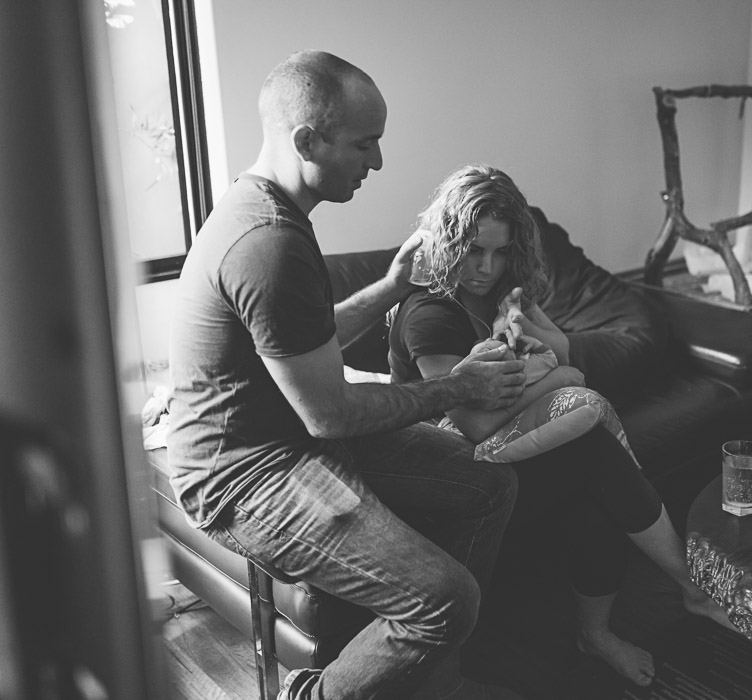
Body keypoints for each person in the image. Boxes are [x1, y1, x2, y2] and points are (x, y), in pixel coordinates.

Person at [166, 51, 530, 700]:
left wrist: (389, 290)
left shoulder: (270, 210)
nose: (379, 163)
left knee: (489, 481)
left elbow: (298, 338)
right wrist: (455, 388)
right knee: (446, 598)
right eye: (367, 145)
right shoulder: (269, 240)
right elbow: (328, 415)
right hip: (245, 472)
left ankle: (430, 678)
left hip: (289, 434)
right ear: (308, 139)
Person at [388, 163, 734, 688]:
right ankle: (690, 585)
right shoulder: (429, 313)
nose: (486, 266)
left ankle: (598, 635)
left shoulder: (502, 296)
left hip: (494, 449)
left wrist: (543, 340)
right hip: (444, 472)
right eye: (474, 250)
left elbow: (565, 347)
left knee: (594, 490)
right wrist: (561, 377)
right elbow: (473, 424)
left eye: (501, 252)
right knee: (590, 449)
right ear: (447, 241)